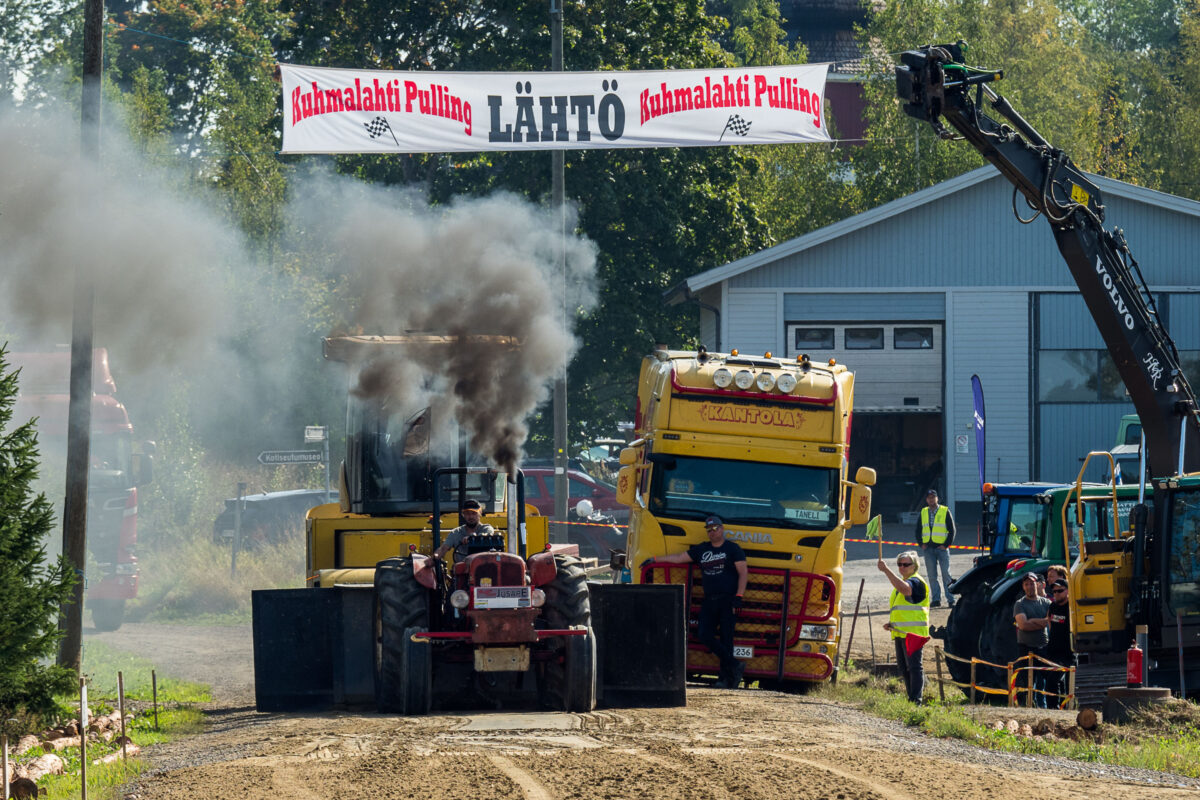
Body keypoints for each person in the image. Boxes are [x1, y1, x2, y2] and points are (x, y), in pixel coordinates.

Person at [652, 514, 749, 688]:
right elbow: (680, 557)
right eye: (709, 529)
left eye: (715, 528)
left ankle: (726, 679)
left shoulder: (733, 549)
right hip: (710, 600)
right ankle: (735, 665)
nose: (712, 532)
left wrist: (739, 597)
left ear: (722, 529)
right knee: (704, 634)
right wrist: (656, 559)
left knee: (727, 639)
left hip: (728, 600)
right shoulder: (702, 549)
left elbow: (743, 573)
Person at [878, 550, 930, 704]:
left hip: (913, 633)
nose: (902, 567)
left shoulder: (916, 582)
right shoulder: (903, 582)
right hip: (901, 632)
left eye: (905, 564)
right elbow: (902, 608)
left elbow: (906, 589)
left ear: (914, 566)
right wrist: (891, 624)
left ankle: (916, 700)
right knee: (904, 668)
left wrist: (886, 570)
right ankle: (911, 698)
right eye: (899, 565)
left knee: (914, 667)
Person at [1013, 572, 1052, 708]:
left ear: (1038, 584)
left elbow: (1049, 620)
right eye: (1026, 584)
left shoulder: (1046, 603)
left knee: (1047, 680)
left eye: (1031, 583)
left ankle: (1046, 707)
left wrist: (1032, 621)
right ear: (1023, 587)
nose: (1029, 586)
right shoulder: (1020, 604)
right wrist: (1041, 622)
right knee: (1027, 680)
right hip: (1026, 647)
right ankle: (1029, 706)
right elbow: (1023, 625)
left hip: (1043, 646)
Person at [914, 489, 956, 607]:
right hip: (928, 549)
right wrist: (921, 543)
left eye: (933, 497)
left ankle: (951, 599)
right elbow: (918, 530)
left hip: (942, 549)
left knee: (946, 575)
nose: (931, 499)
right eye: (929, 497)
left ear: (937, 498)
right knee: (932, 576)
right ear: (927, 500)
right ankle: (936, 600)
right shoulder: (923, 512)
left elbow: (952, 530)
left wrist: (946, 545)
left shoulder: (944, 511)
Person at [1043, 579, 1073, 707]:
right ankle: (1053, 709)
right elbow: (1049, 623)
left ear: (1067, 591)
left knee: (1064, 683)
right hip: (1053, 651)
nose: (1056, 594)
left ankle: (1065, 708)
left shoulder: (1072, 608)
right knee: (1052, 682)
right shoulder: (1052, 606)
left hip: (1068, 652)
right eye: (1054, 591)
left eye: (1060, 591)